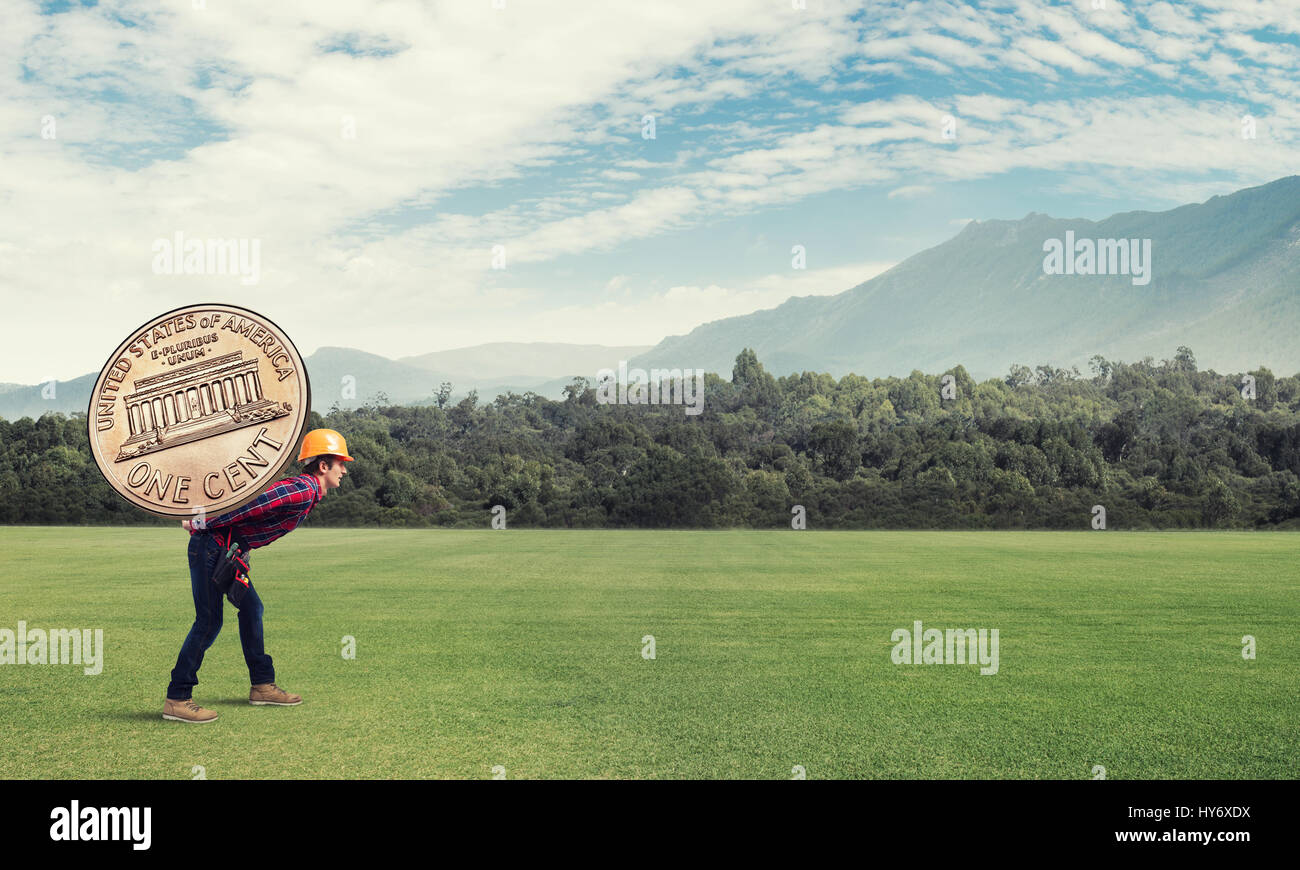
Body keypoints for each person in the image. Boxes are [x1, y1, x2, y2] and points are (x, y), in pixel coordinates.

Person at [162, 429, 353, 723]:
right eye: (340, 462)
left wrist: (243, 551)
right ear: (323, 466)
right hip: (211, 545)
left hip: (226, 550)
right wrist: (201, 522)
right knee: (209, 621)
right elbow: (254, 504)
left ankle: (262, 686)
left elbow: (256, 514)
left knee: (252, 608)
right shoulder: (303, 489)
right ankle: (177, 697)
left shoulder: (308, 492)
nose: (344, 468)